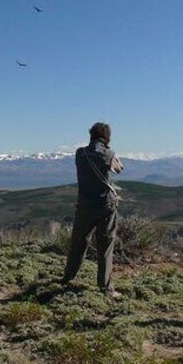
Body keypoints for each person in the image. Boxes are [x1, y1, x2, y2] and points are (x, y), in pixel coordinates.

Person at [61, 122, 124, 297]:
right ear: (107, 137)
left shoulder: (80, 154)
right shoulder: (108, 155)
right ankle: (105, 287)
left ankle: (68, 277)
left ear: (90, 135)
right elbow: (119, 169)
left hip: (84, 206)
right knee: (105, 246)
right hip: (105, 206)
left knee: (78, 244)